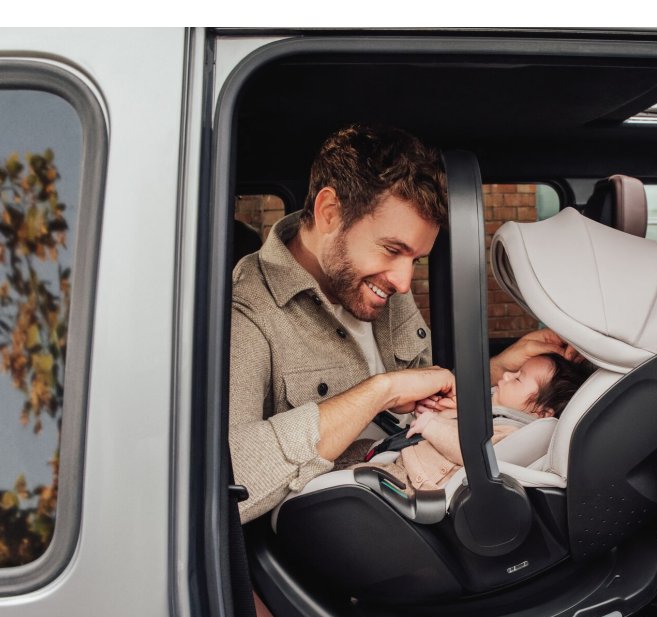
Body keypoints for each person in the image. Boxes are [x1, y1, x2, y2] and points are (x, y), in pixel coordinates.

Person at [229, 123, 568, 523]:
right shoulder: (248, 310)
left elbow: (424, 392)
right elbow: (232, 477)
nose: (404, 282)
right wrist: (381, 391)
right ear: (329, 213)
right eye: (392, 249)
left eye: (415, 259)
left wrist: (500, 368)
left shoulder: (380, 284)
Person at [364, 352, 592, 493]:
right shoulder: (496, 415)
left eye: (518, 378)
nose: (506, 376)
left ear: (540, 413)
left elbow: (473, 452)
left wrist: (432, 424)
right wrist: (439, 413)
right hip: (404, 461)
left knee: (351, 481)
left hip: (412, 481)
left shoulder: (512, 431)